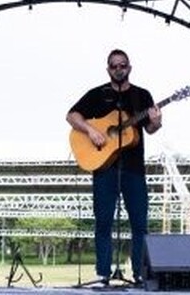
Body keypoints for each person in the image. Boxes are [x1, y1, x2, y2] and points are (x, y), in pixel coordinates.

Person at [66, 49, 162, 285]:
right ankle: (103, 274)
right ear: (108, 69)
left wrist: (156, 122)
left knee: (140, 223)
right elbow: (71, 116)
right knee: (104, 221)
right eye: (113, 66)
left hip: (134, 169)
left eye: (122, 65)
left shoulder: (142, 96)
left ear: (130, 67)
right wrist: (91, 130)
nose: (118, 69)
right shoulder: (97, 94)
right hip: (104, 168)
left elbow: (149, 129)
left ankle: (140, 273)